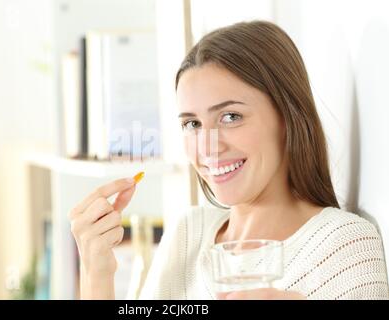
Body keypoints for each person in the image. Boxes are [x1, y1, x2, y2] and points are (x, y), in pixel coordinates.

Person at [68, 20, 389, 300]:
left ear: (287, 117)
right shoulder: (188, 233)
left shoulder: (344, 247)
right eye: (192, 124)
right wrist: (97, 273)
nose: (208, 147)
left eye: (231, 116)